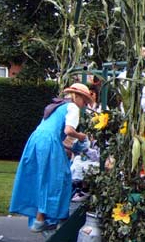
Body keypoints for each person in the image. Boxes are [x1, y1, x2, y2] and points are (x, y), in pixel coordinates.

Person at [9, 83, 92, 232]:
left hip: (36, 139)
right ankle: (58, 218)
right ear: (78, 97)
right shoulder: (72, 107)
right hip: (49, 142)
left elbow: (57, 133)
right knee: (60, 178)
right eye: (85, 102)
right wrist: (81, 136)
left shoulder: (57, 107)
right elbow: (68, 130)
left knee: (41, 177)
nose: (84, 105)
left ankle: (40, 219)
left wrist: (70, 147)